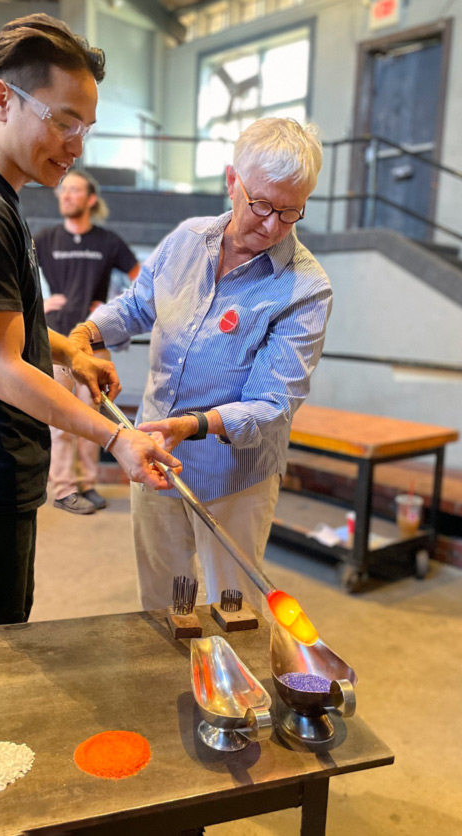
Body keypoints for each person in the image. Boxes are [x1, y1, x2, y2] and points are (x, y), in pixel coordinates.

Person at [0, 13, 180, 631]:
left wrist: (71, 354)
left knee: (5, 629)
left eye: (86, 128)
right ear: (1, 99)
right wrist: (116, 437)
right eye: (64, 121)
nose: (76, 146)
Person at [70, 117, 332, 612]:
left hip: (236, 477)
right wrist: (85, 334)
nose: (273, 225)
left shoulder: (306, 287)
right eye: (261, 204)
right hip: (154, 456)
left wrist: (193, 424)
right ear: (232, 181)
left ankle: (234, 690)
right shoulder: (187, 240)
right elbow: (138, 304)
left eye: (291, 211)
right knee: (163, 603)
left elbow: (273, 403)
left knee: (232, 611)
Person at [35, 171, 139, 514]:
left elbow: (143, 282)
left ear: (90, 199)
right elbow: (13, 277)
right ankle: (64, 489)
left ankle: (89, 485)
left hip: (94, 342)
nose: (66, 195)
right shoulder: (45, 239)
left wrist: (110, 305)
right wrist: (38, 303)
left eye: (74, 190)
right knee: (61, 420)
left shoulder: (108, 242)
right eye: (63, 190)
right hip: (56, 340)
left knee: (92, 417)